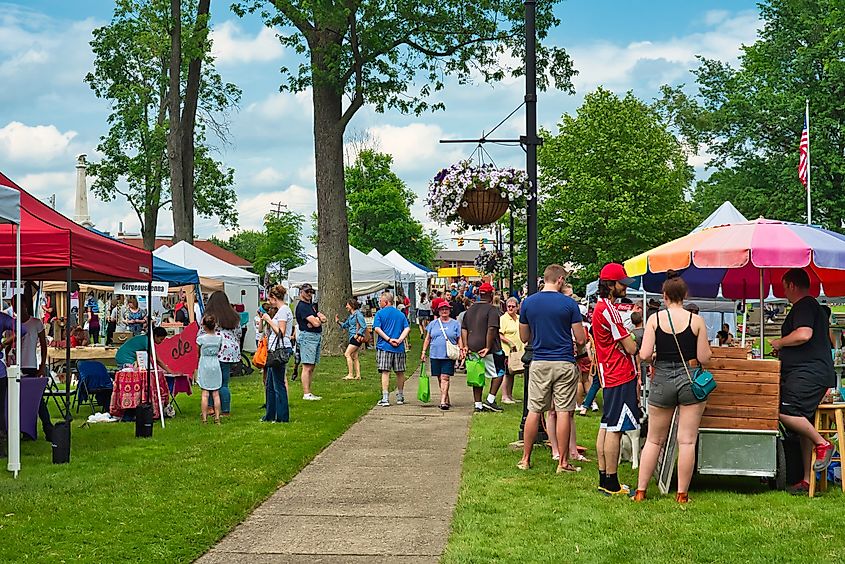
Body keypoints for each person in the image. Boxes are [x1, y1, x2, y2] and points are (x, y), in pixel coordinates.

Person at [633, 272, 712, 503]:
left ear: (664, 296)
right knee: (686, 440)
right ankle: (682, 494)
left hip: (662, 379)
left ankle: (640, 491)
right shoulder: (696, 321)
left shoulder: (654, 320)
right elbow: (703, 357)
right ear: (685, 296)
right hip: (689, 379)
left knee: (654, 440)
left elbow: (645, 354)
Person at [770, 268, 837, 495]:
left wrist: (780, 343)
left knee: (785, 411)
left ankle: (823, 444)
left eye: (784, 286)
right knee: (802, 423)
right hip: (810, 372)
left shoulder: (804, 306)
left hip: (809, 374)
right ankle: (807, 480)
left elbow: (803, 334)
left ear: (791, 284)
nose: (784, 291)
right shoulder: (811, 306)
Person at [517, 264, 586, 472]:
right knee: (564, 411)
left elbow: (523, 337)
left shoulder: (528, 303)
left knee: (534, 410)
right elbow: (581, 338)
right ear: (560, 280)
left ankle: (526, 459)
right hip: (564, 361)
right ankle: (563, 462)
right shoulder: (569, 304)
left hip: (539, 361)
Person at [592, 263, 641, 496]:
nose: (625, 288)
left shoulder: (600, 308)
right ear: (611, 285)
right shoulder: (609, 311)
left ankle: (604, 478)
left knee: (606, 425)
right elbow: (630, 347)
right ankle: (611, 483)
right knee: (616, 428)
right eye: (622, 283)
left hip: (608, 372)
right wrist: (635, 339)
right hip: (619, 373)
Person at [462, 282, 505, 413]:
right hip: (490, 348)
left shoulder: (470, 310)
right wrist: (487, 346)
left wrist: (465, 346)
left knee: (477, 374)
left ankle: (478, 404)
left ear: (480, 294)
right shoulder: (492, 310)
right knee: (500, 372)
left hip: (472, 346)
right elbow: (491, 329)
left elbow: (463, 328)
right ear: (491, 294)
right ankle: (490, 400)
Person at [421, 298, 465, 410]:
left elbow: (459, 338)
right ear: (438, 311)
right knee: (440, 378)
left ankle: (442, 401)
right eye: (442, 309)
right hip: (435, 354)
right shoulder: (433, 324)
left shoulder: (455, 324)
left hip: (448, 355)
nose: (444, 311)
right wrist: (423, 352)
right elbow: (427, 338)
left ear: (450, 311)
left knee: (445, 377)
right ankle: (446, 398)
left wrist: (461, 349)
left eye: (446, 309)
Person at [203, 291, 241, 415]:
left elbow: (201, 332)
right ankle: (225, 410)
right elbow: (238, 333)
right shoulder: (233, 316)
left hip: (214, 349)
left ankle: (210, 407)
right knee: (224, 383)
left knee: (210, 381)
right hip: (230, 351)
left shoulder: (209, 315)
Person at [19, 303, 52, 440]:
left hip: (31, 365)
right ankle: (27, 431)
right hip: (17, 365)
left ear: (25, 306)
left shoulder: (36, 323)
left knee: (37, 400)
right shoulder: (13, 323)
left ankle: (48, 428)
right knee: (21, 401)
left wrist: (42, 365)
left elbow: (43, 345)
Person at [372, 292, 410, 406]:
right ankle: (400, 396)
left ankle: (385, 397)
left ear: (386, 302)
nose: (379, 303)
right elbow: (407, 328)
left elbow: (377, 329)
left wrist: (388, 339)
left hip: (385, 347)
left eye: (380, 301)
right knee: (400, 372)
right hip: (399, 348)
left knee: (385, 372)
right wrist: (399, 339)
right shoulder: (400, 314)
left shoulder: (380, 314)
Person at [261, 284, 292, 423]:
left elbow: (281, 331)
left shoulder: (284, 311)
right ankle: (270, 414)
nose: (269, 302)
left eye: (269, 298)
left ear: (274, 298)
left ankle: (282, 416)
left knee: (278, 384)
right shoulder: (281, 310)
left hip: (280, 349)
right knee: (270, 384)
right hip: (274, 349)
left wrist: (268, 320)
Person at [294, 283, 326, 401]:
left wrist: (316, 320)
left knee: (312, 365)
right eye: (307, 292)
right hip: (308, 337)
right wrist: (316, 321)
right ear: (301, 292)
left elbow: (322, 318)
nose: (309, 294)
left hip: (316, 336)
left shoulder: (311, 306)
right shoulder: (302, 306)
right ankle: (306, 393)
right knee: (307, 365)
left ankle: (309, 391)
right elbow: (317, 322)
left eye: (311, 292)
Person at [196, 314, 223, 425]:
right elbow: (220, 349)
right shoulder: (219, 338)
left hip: (204, 363)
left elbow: (198, 352)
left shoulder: (200, 339)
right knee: (216, 393)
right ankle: (217, 418)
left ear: (204, 326)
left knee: (205, 393)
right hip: (215, 363)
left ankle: (204, 419)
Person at [499, 297, 523, 404]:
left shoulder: (519, 318)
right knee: (507, 373)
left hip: (518, 351)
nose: (511, 308)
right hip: (507, 350)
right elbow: (500, 334)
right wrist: (509, 342)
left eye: (513, 306)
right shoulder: (503, 319)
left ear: (517, 308)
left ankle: (510, 395)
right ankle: (504, 396)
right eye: (509, 306)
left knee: (512, 373)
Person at [336, 299, 367, 381]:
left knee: (347, 354)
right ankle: (358, 375)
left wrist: (357, 334)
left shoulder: (358, 314)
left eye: (347, 305)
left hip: (355, 338)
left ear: (352, 305)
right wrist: (338, 322)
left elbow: (363, 326)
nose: (346, 307)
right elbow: (346, 325)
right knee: (355, 356)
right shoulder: (351, 316)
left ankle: (350, 374)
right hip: (352, 337)